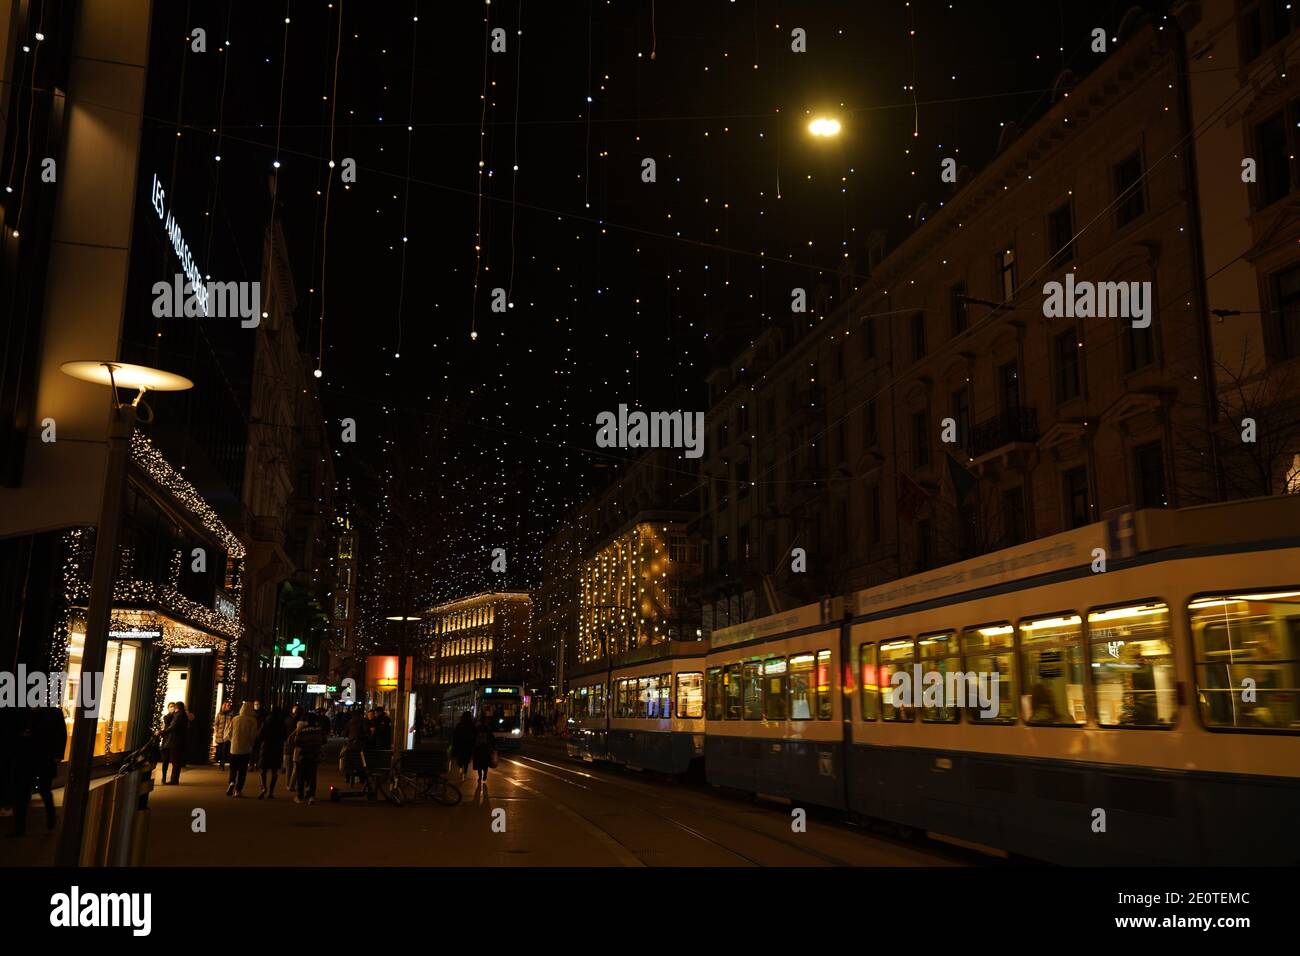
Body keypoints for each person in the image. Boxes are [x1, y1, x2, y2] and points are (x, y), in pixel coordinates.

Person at [11, 704, 66, 836]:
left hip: (44, 758)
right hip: (29, 758)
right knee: (24, 792)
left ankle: (50, 817)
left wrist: (58, 754)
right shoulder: (26, 713)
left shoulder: (53, 713)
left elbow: (61, 734)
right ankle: (20, 828)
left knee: (43, 789)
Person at [289, 717, 325, 805]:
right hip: (315, 755)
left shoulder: (302, 730)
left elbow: (297, 742)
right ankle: (311, 796)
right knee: (313, 776)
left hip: (304, 755)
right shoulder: (319, 730)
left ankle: (300, 796)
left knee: (301, 776)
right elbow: (324, 740)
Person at [254, 705, 287, 799]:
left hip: (266, 747)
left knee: (263, 770)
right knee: (274, 771)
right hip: (277, 748)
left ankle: (264, 787)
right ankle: (271, 792)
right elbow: (285, 736)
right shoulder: (281, 723)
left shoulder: (266, 721)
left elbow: (260, 735)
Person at [226, 702, 258, 797]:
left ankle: (231, 782)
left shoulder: (235, 719)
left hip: (234, 748)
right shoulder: (252, 720)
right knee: (242, 771)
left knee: (233, 768)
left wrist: (233, 741)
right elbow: (253, 735)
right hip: (245, 749)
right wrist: (251, 744)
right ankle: (238, 790)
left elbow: (229, 733)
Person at [159, 701, 188, 785]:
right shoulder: (181, 714)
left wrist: (162, 732)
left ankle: (174, 780)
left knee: (175, 761)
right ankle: (173, 779)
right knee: (175, 761)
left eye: (174, 707)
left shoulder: (179, 715)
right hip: (176, 741)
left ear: (177, 707)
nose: (173, 708)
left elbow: (172, 726)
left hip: (174, 741)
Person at [451, 711, 475, 782]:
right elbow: (475, 733)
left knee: (461, 759)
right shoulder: (471, 725)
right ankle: (465, 772)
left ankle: (461, 770)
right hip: (468, 745)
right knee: (466, 760)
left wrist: (455, 745)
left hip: (461, 745)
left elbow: (455, 735)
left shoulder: (459, 725)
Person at [471, 716, 496, 785]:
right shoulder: (488, 728)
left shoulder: (477, 728)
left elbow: (473, 737)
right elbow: (492, 738)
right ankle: (485, 774)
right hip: (486, 748)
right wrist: (493, 747)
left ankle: (480, 776)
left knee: (479, 763)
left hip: (478, 748)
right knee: (485, 763)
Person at [213, 700, 234, 770]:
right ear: (224, 706)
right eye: (227, 705)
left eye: (229, 705)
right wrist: (216, 731)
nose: (229, 706)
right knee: (220, 750)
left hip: (226, 735)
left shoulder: (231, 715)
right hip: (220, 734)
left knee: (224, 751)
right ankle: (220, 763)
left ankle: (222, 764)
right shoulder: (220, 714)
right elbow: (216, 723)